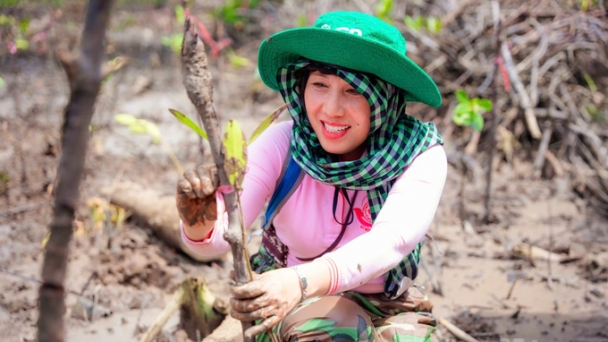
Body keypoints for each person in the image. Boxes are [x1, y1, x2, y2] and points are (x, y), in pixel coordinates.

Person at [176, 11, 447, 342]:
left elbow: (389, 242)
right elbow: (220, 239)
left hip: (386, 304)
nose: (331, 109)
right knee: (333, 329)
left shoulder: (418, 154)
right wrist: (197, 218)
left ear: (386, 99)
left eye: (353, 91)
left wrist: (300, 280)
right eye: (319, 85)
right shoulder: (283, 145)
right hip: (287, 303)